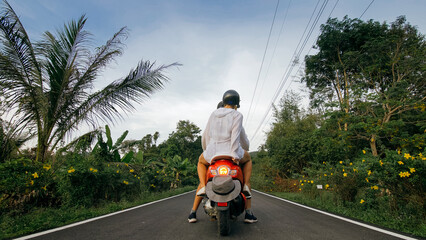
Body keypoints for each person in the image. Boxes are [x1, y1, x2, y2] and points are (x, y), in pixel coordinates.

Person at [188, 90, 257, 224]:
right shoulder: (237, 114)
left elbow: (206, 136)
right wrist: (235, 154)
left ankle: (199, 194)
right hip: (231, 154)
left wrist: (208, 151)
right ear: (236, 103)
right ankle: (246, 191)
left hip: (213, 153)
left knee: (201, 163)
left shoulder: (213, 114)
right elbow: (237, 136)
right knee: (248, 159)